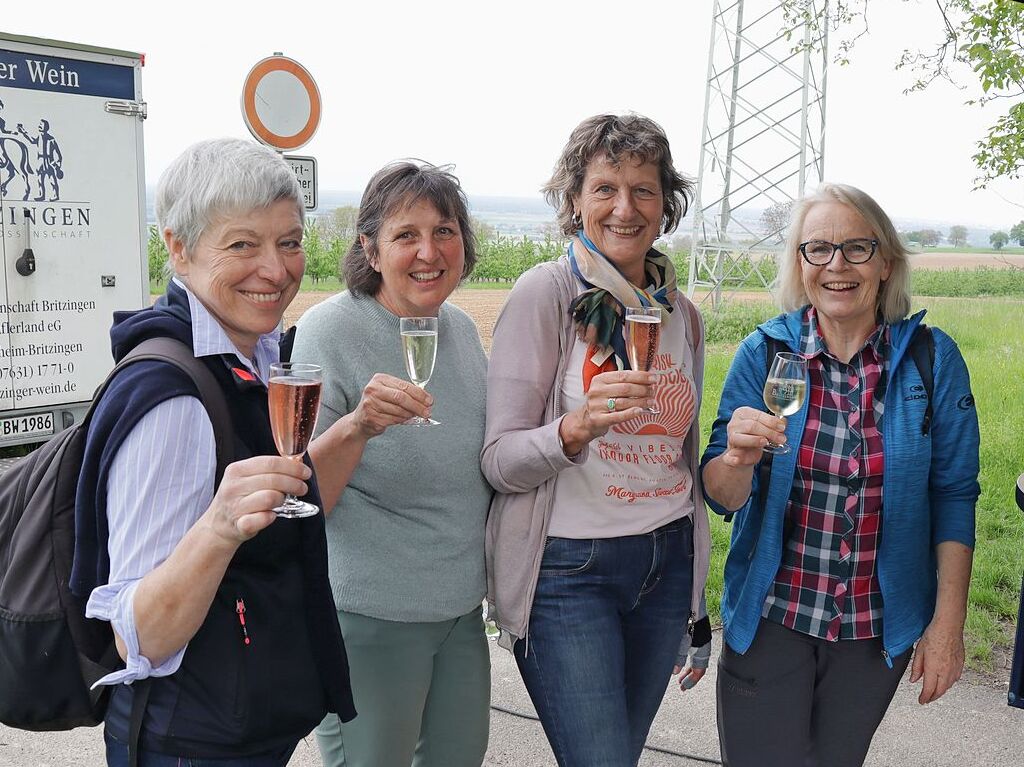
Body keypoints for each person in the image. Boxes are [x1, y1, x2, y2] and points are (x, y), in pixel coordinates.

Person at [70, 137, 355, 766]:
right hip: (190, 740)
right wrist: (220, 528)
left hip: (242, 722)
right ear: (178, 247)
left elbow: (291, 504)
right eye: (242, 244)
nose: (276, 270)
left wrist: (356, 429)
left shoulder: (255, 354)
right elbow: (136, 635)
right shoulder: (172, 400)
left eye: (289, 242)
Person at [704, 183, 980, 766]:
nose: (837, 265)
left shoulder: (932, 360)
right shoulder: (767, 354)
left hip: (872, 630)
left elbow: (954, 496)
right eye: (818, 249)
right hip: (774, 616)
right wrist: (735, 458)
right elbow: (722, 498)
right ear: (799, 263)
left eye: (857, 248)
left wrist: (947, 626)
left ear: (886, 263)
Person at [482, 113, 712, 767]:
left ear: (665, 205)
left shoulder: (681, 316)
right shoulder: (547, 295)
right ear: (575, 199)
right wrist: (572, 430)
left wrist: (695, 595)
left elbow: (682, 462)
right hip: (568, 572)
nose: (624, 206)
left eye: (644, 189)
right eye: (605, 186)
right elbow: (498, 461)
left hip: (664, 564)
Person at [292, 160, 492, 767]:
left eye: (445, 230)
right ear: (371, 250)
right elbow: (304, 499)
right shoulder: (329, 331)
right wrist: (359, 425)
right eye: (406, 235)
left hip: (460, 611)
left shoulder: (457, 328)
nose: (429, 251)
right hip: (370, 615)